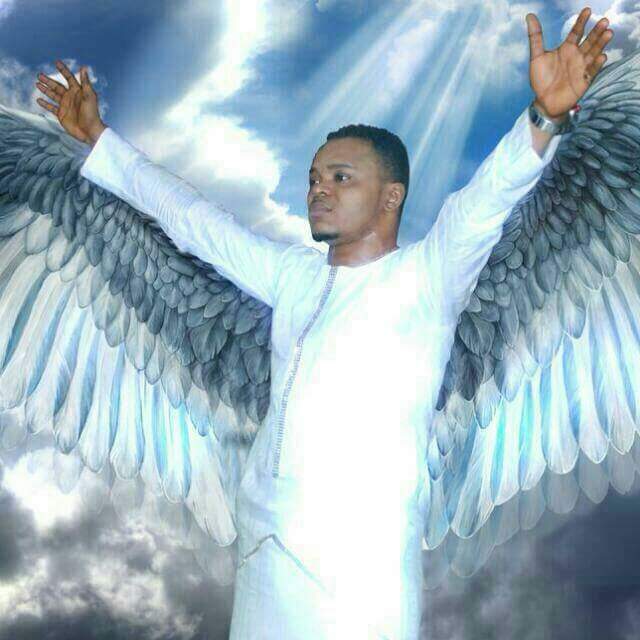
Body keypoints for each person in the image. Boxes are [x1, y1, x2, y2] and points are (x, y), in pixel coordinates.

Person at [34, 7, 613, 639]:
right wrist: (100, 139)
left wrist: (544, 116)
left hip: (357, 580)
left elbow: (487, 199)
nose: (319, 189)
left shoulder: (427, 276)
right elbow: (191, 219)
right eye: (314, 178)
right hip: (262, 562)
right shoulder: (293, 276)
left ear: (390, 196)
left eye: (341, 177)